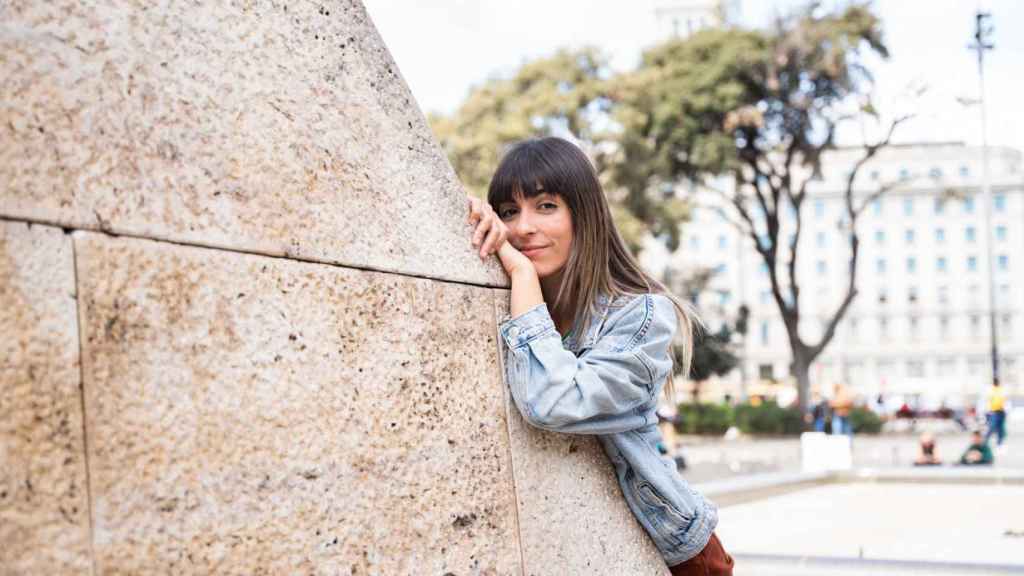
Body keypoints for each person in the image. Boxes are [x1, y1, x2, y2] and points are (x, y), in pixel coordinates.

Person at [467, 137, 732, 574]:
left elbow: (552, 402)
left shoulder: (641, 315)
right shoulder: (518, 306)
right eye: (509, 212)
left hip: (672, 555)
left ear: (583, 215)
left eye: (546, 206)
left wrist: (520, 272)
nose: (523, 227)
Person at [984, 379, 1007, 448]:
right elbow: (988, 401)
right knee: (992, 426)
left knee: (1000, 428)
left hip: (1001, 411)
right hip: (994, 411)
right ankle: (985, 440)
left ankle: (999, 443)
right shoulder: (992, 391)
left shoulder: (1000, 390)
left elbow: (1004, 401)